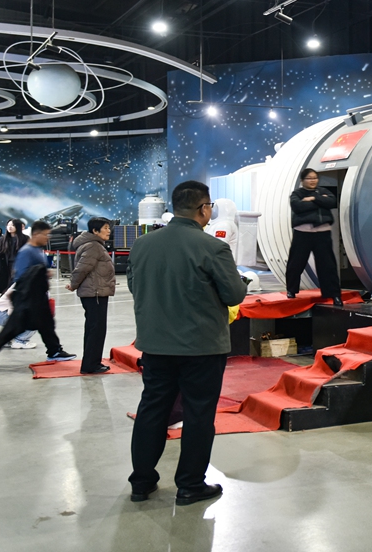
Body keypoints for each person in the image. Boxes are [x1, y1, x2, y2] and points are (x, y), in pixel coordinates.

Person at [126, 181, 247, 505]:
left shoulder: (143, 245)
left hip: (156, 345)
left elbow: (135, 287)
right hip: (201, 348)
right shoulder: (212, 248)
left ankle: (141, 482)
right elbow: (234, 294)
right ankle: (190, 484)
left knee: (152, 410)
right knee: (197, 414)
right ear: (203, 209)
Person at [0, 221, 75, 365]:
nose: (48, 238)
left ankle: (54, 350)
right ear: (36, 234)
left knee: (46, 325)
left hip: (38, 295)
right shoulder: (27, 251)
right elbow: (21, 277)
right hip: (28, 297)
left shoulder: (36, 250)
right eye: (46, 235)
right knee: (15, 328)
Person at [66, 217, 116, 374]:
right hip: (95, 293)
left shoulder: (94, 245)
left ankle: (92, 362)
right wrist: (74, 284)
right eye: (106, 228)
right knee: (96, 329)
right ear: (95, 231)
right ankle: (90, 365)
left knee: (95, 328)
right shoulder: (93, 246)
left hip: (96, 292)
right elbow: (82, 268)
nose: (109, 231)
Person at [285, 168, 342, 306]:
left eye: (315, 178)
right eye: (309, 178)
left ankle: (334, 294)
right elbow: (297, 206)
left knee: (327, 265)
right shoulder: (297, 194)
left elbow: (332, 202)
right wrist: (320, 202)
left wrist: (313, 198)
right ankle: (291, 290)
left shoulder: (323, 191)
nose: (312, 181)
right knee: (296, 262)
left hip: (323, 233)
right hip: (303, 233)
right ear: (302, 180)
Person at [0, 285, 38, 349]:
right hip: (3, 313)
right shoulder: (26, 283)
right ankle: (21, 341)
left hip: (1, 313)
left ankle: (4, 339)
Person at [0, 219, 28, 293]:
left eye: (12, 225)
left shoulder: (25, 239)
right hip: (6, 266)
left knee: (17, 287)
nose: (10, 227)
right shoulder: (3, 239)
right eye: (8, 225)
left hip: (19, 266)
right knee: (7, 288)